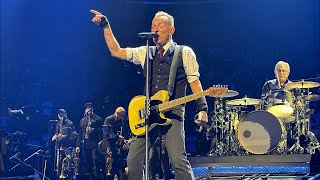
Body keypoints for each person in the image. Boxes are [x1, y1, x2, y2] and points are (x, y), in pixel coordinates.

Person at [90, 10, 208, 180]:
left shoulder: (184, 52)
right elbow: (116, 51)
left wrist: (202, 108)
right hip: (148, 114)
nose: (156, 29)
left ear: (171, 30)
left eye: (160, 25)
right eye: (153, 26)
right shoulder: (146, 51)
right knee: (133, 161)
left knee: (178, 161)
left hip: (173, 113)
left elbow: (194, 83)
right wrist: (105, 26)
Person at [76, 103, 104, 178]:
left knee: (95, 160)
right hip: (85, 144)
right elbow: (80, 133)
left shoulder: (98, 119)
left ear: (92, 109)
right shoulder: (82, 120)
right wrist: (77, 145)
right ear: (85, 110)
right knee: (87, 162)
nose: (89, 109)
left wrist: (94, 130)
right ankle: (90, 176)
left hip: (95, 143)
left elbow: (102, 131)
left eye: (90, 107)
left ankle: (97, 176)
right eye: (87, 108)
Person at [102, 107, 129, 180]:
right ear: (117, 113)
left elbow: (125, 132)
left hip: (119, 147)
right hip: (110, 146)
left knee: (119, 166)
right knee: (110, 166)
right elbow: (106, 134)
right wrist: (117, 137)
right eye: (122, 115)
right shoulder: (108, 120)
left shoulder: (122, 121)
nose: (123, 117)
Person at [51, 109, 77, 179]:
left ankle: (68, 176)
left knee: (68, 163)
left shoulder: (69, 123)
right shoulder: (58, 124)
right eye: (59, 114)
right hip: (59, 146)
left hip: (68, 146)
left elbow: (67, 135)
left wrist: (58, 136)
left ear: (65, 114)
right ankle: (59, 176)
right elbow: (57, 134)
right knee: (59, 164)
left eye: (62, 114)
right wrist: (57, 136)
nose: (60, 116)